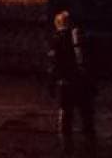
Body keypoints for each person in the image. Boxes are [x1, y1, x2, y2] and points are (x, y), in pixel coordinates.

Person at [47, 10, 97, 155]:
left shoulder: (57, 39)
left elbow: (54, 65)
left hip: (67, 83)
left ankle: (66, 149)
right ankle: (91, 147)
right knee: (86, 115)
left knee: (66, 116)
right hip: (84, 82)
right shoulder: (82, 37)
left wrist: (51, 83)